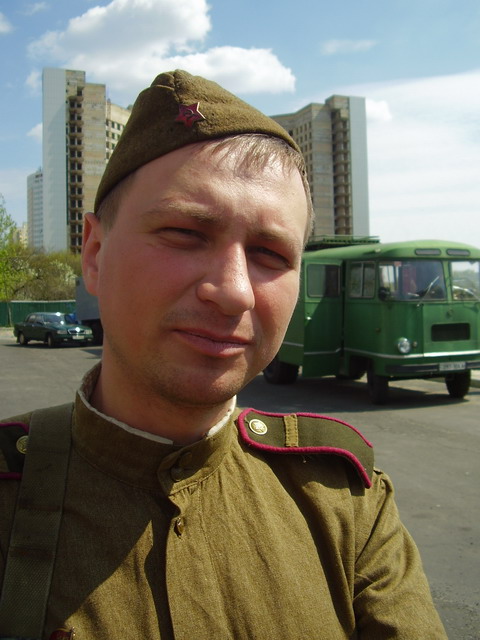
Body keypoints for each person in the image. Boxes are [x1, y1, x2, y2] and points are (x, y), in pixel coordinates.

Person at [0, 70, 447, 640]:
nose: (234, 291)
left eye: (270, 254)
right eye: (185, 233)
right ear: (94, 253)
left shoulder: (343, 503)